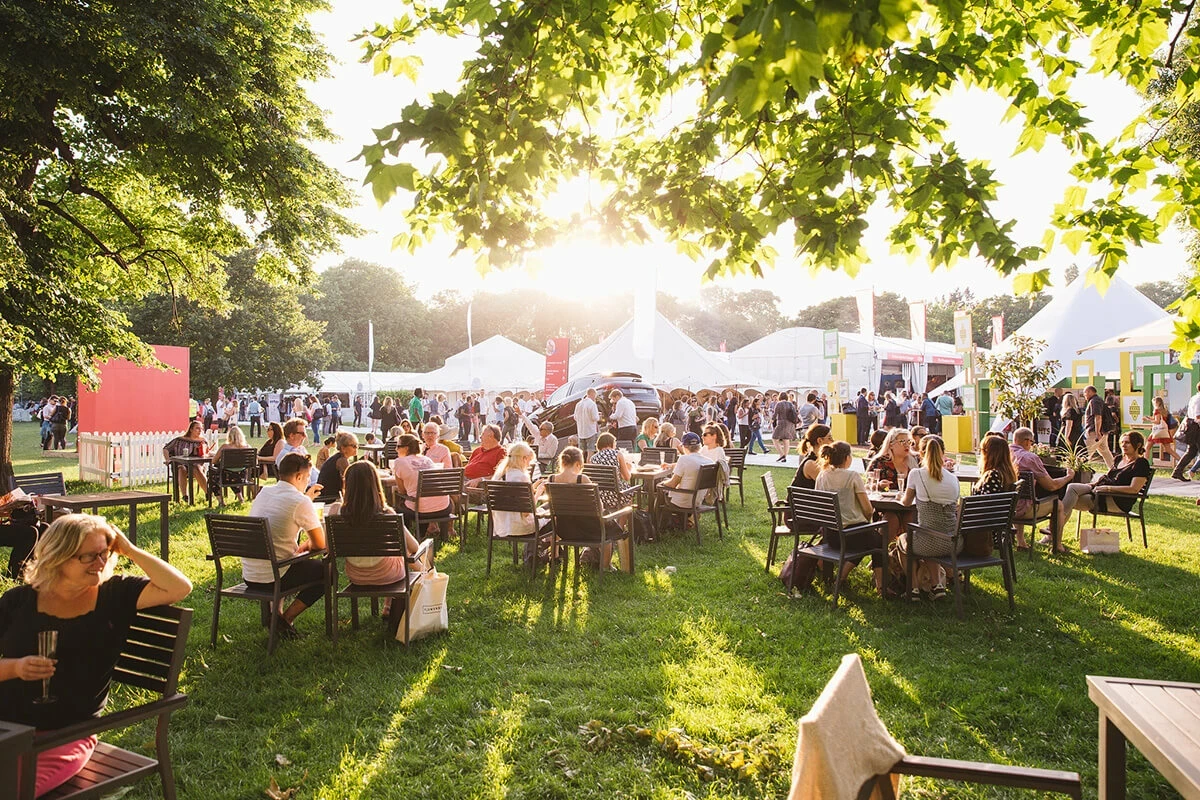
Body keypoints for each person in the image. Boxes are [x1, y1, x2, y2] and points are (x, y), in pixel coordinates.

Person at [0, 514, 192, 797]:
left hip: (63, 736)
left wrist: (128, 549)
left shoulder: (114, 596)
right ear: (58, 556)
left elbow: (180, 587)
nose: (100, 563)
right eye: (88, 556)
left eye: (104, 553)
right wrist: (14, 668)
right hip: (7, 729)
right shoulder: (19, 601)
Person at [244, 453, 325, 638]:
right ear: (298, 477)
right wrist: (307, 545)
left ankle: (277, 617)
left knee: (291, 559)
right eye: (307, 478)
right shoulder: (300, 501)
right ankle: (285, 620)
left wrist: (306, 499)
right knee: (326, 571)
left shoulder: (264, 492)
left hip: (250, 574)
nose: (307, 482)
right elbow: (320, 544)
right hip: (274, 576)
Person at [332, 460, 423, 597]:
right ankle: (427, 577)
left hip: (356, 576)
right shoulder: (387, 514)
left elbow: (329, 548)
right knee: (405, 554)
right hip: (388, 574)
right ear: (375, 484)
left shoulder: (336, 512)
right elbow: (415, 547)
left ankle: (390, 604)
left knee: (396, 555)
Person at [814, 441, 881, 593]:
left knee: (869, 538)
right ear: (847, 458)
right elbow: (868, 510)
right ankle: (879, 586)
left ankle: (841, 578)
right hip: (850, 535)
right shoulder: (852, 476)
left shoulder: (822, 476)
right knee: (877, 540)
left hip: (830, 534)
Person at [1058, 431, 1151, 541]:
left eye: (1128, 443)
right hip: (1100, 491)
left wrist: (1108, 488)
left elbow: (1133, 489)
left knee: (1064, 502)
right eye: (1122, 443)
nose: (1123, 445)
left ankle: (1053, 531)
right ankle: (1054, 530)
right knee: (1072, 487)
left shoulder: (1141, 463)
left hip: (1117, 500)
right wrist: (1092, 485)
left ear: (1138, 445)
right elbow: (1108, 476)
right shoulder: (1119, 459)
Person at [899, 434, 959, 599]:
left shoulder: (917, 474)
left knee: (903, 540)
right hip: (954, 542)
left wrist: (900, 496)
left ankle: (913, 589)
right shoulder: (953, 478)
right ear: (943, 453)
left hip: (930, 540)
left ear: (921, 453)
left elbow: (906, 502)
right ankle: (936, 585)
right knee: (930, 536)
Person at [1008, 426, 1075, 551]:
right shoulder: (1030, 458)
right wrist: (1068, 477)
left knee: (1019, 497)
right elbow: (1051, 486)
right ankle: (1057, 545)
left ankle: (1021, 542)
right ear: (1027, 441)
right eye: (1032, 442)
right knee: (1059, 505)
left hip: (1004, 508)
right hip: (1023, 510)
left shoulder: (1002, 453)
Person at [391, 433, 451, 530]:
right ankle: (424, 534)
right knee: (419, 500)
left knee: (401, 504)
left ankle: (406, 537)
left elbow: (402, 492)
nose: (396, 449)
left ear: (406, 448)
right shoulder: (427, 460)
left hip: (422, 511)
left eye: (398, 446)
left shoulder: (399, 462)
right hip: (444, 507)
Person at [490, 441, 546, 538]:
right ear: (524, 459)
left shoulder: (499, 476)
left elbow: (511, 498)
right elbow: (526, 513)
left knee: (544, 511)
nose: (529, 465)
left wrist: (532, 488)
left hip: (501, 526)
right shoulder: (521, 477)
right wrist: (539, 492)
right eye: (529, 461)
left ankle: (540, 548)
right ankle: (545, 550)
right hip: (519, 528)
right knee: (552, 517)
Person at [659, 432, 715, 511]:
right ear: (699, 446)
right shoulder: (709, 461)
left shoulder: (684, 459)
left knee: (660, 489)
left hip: (683, 501)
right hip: (698, 500)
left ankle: (658, 521)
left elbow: (673, 484)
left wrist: (662, 483)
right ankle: (680, 520)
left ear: (684, 446)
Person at [163, 420, 209, 501]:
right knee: (181, 469)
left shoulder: (202, 441)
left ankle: (208, 493)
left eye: (201, 429)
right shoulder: (179, 440)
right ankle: (185, 496)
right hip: (179, 464)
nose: (200, 431)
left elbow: (206, 452)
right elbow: (166, 449)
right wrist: (167, 460)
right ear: (191, 429)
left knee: (197, 468)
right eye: (197, 428)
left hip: (196, 465)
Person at [589, 433, 634, 509]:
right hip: (617, 495)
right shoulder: (617, 454)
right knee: (629, 492)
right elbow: (627, 477)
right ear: (611, 443)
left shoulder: (593, 458)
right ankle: (622, 521)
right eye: (615, 443)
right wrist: (629, 468)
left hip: (600, 496)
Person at [317, 431, 358, 501]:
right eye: (353, 446)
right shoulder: (342, 460)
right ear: (343, 448)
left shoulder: (339, 458)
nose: (356, 448)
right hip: (329, 498)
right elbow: (351, 481)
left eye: (357, 445)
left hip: (329, 496)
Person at [464, 424, 506, 489]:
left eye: (483, 434)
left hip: (479, 485)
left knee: (449, 488)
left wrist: (481, 479)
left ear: (491, 436)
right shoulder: (477, 450)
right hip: (464, 479)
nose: (480, 437)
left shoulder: (501, 452)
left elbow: (501, 475)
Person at [1173, 380, 1200, 481]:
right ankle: (1180, 471)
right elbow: (1198, 416)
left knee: (1191, 451)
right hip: (1196, 428)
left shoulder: (1194, 397)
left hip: (1193, 427)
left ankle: (1177, 471)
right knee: (1191, 451)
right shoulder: (1199, 399)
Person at [1082, 385, 1115, 469]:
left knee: (1085, 452)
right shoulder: (1099, 400)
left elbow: (1098, 417)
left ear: (1090, 392)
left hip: (1094, 432)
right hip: (1102, 431)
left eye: (1085, 392)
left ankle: (1078, 470)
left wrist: (1097, 432)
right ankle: (1113, 470)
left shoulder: (1094, 401)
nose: (1084, 395)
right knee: (1105, 452)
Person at [792, 424, 832, 491]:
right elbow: (829, 486)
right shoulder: (811, 464)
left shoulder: (817, 459)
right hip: (801, 501)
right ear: (819, 440)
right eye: (829, 438)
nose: (832, 441)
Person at [1144, 396, 1178, 468]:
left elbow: (1157, 421)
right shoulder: (1164, 410)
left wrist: (1149, 420)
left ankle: (1144, 465)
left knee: (1147, 447)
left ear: (1157, 403)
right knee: (1169, 450)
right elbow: (1160, 419)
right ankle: (1181, 461)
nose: (1153, 404)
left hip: (1156, 432)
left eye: (1153, 403)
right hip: (1164, 432)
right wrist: (1150, 418)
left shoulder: (1156, 410)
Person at [772, 391, 798, 463]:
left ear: (779, 397)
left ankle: (781, 454)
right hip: (790, 423)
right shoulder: (790, 404)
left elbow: (775, 414)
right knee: (786, 440)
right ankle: (785, 456)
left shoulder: (779, 404)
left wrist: (771, 421)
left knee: (774, 438)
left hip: (781, 422)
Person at [574, 388, 601, 456]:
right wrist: (599, 416)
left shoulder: (578, 404)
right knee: (590, 452)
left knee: (581, 453)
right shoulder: (592, 404)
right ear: (593, 394)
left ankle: (581, 466)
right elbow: (595, 418)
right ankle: (589, 465)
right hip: (591, 431)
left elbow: (575, 417)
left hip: (581, 432)